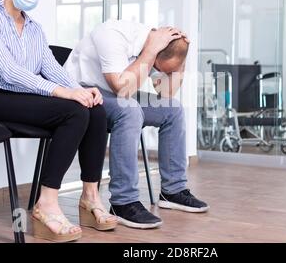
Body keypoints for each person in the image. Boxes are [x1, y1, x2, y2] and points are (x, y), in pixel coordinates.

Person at [0, 0, 117, 242]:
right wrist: (65, 93)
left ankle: (90, 196)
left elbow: (50, 68)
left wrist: (81, 90)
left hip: (23, 98)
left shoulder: (34, 28)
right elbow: (9, 71)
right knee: (75, 112)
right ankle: (46, 204)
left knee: (94, 108)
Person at [65, 20, 209, 229]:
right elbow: (121, 89)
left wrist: (181, 62)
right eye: (159, 68)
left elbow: (167, 94)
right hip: (81, 93)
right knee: (129, 110)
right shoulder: (112, 34)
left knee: (173, 109)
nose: (157, 71)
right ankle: (123, 202)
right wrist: (150, 53)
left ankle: (173, 191)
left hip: (115, 94)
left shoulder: (155, 48)